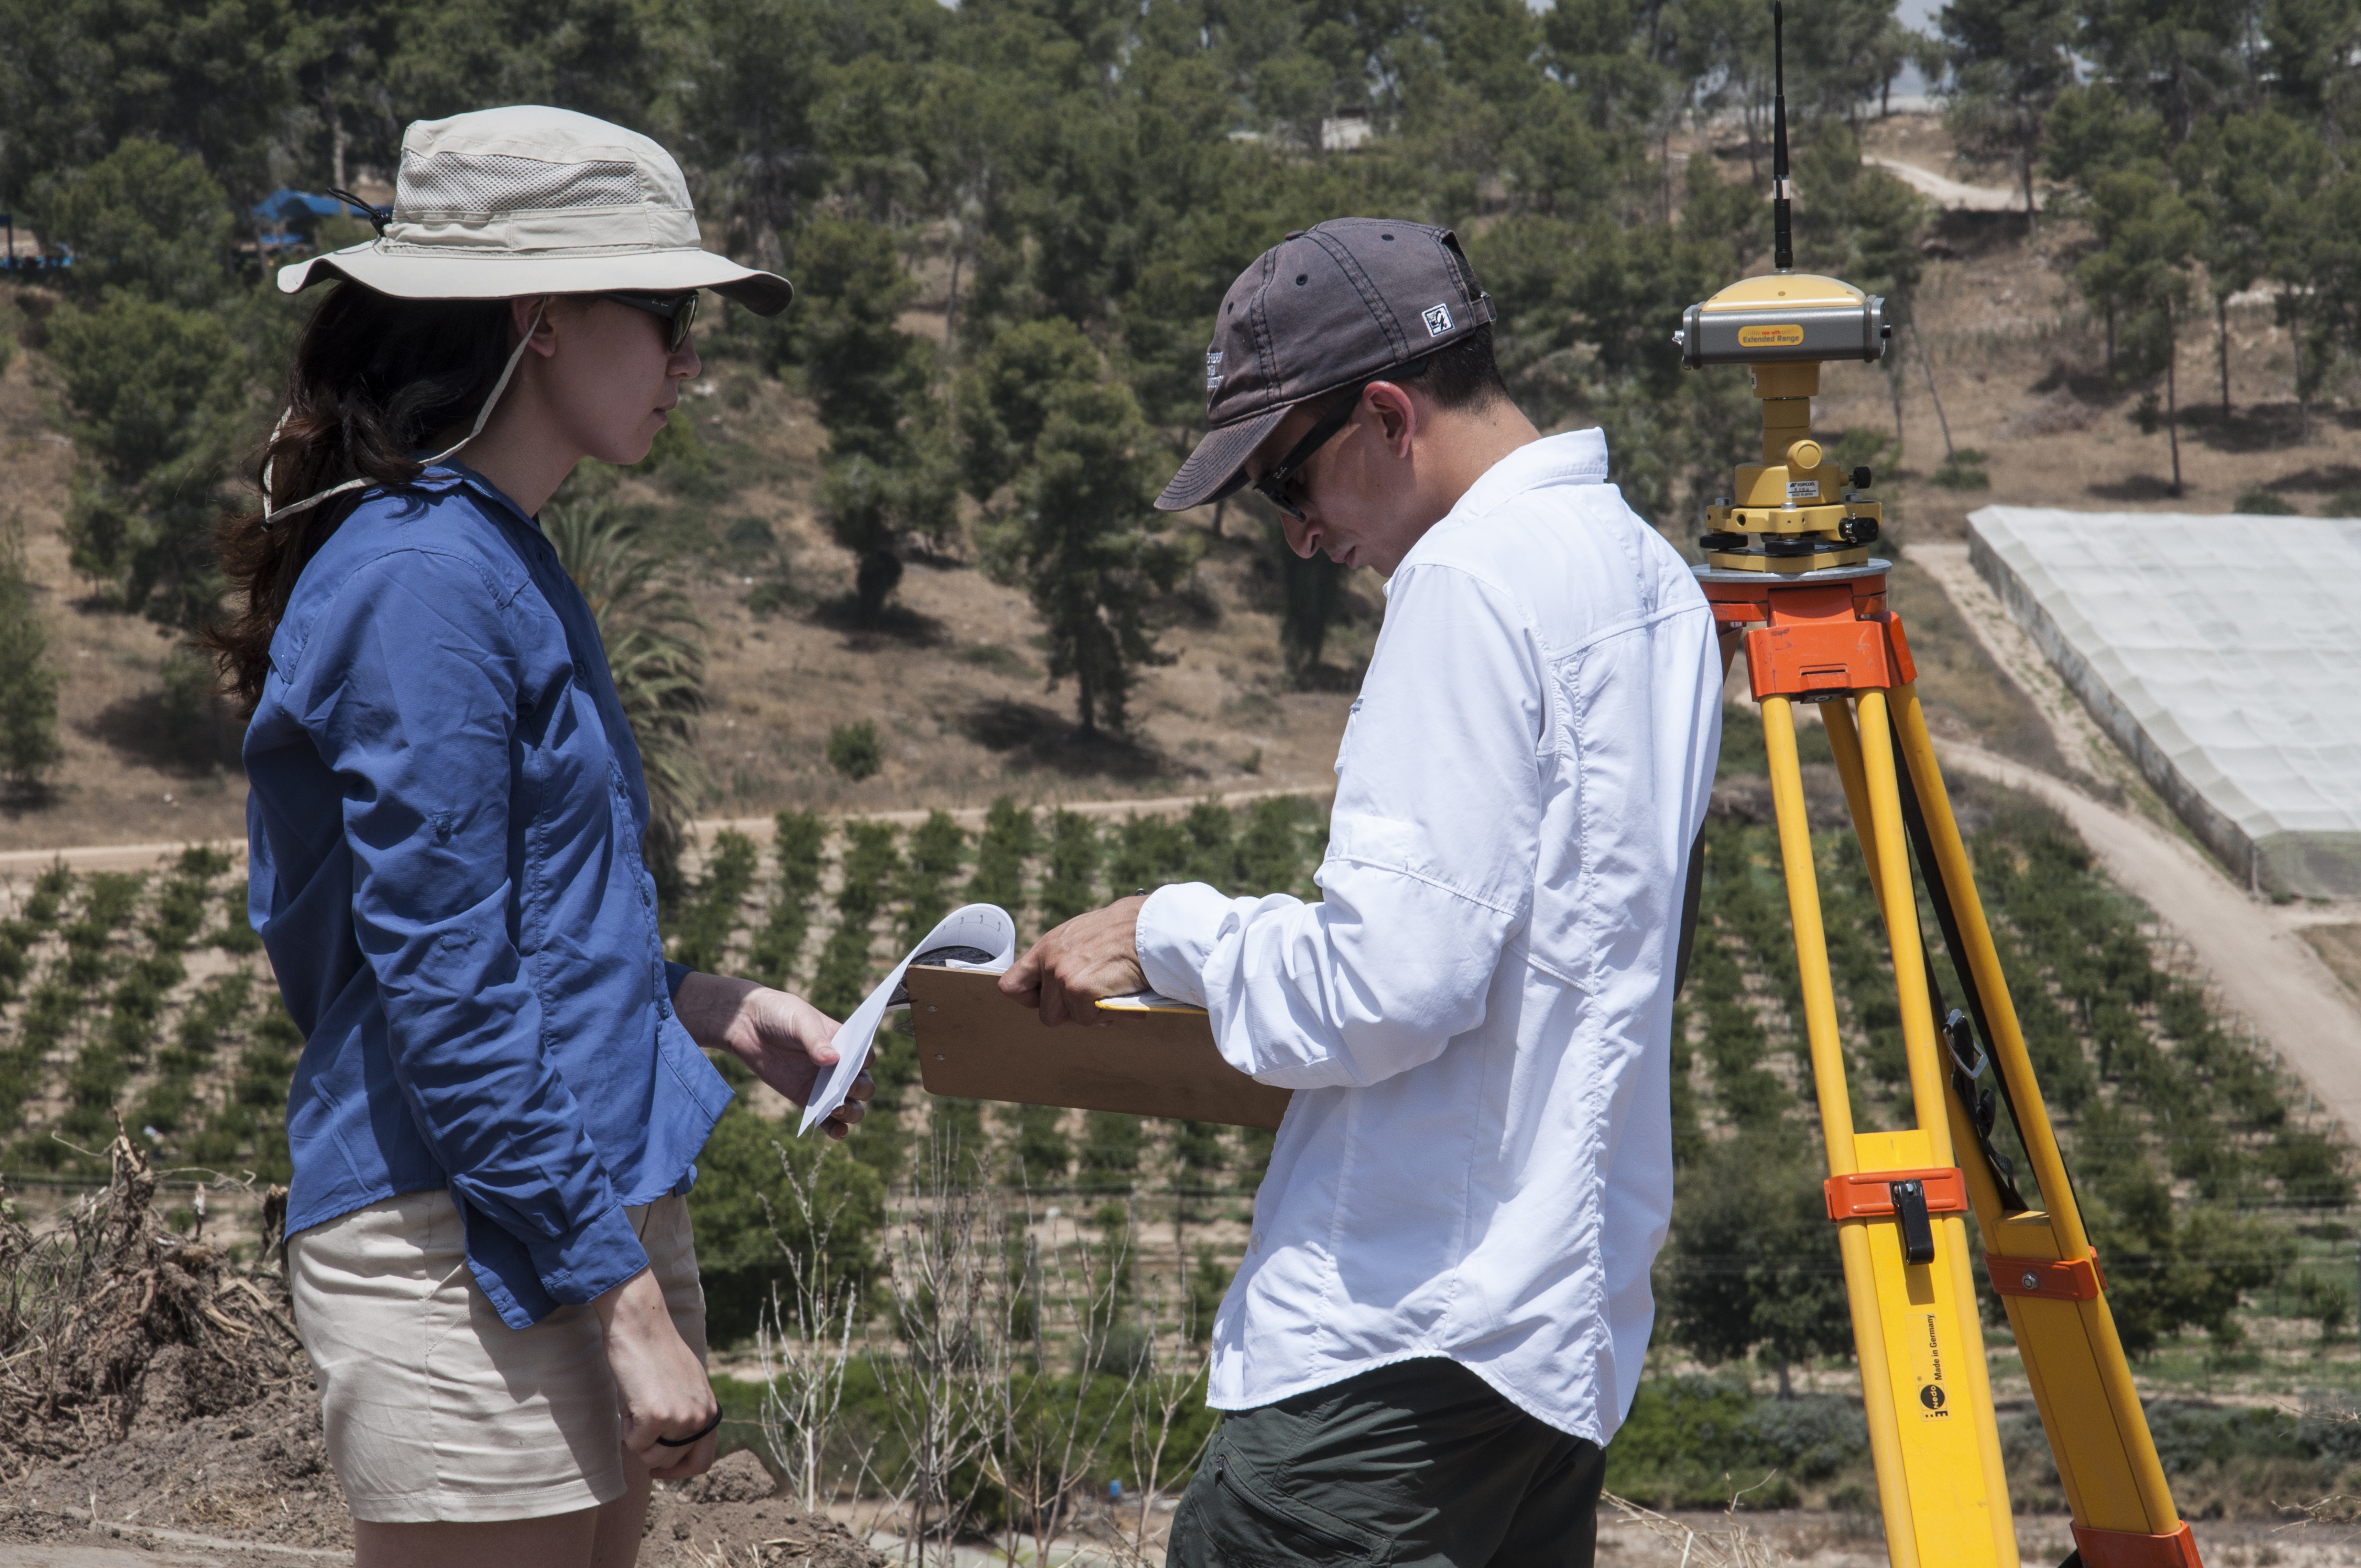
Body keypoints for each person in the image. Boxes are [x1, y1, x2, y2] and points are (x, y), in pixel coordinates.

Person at [1000, 219, 1722, 1565]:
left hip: (1389, 1348)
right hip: (1556, 1339)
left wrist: (1173, 930)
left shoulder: (1463, 583)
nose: (1298, 536)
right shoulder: (1651, 581)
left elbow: (1389, 987)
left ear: (1386, 414)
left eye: (1287, 478)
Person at [210, 106, 871, 1568]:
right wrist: (624, 1307)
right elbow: (444, 984)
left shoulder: (491, 548)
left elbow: (525, 931)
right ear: (542, 317)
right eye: (664, 311)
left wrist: (712, 1008)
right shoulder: (427, 578)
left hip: (559, 1215)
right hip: (466, 1244)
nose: (690, 358)